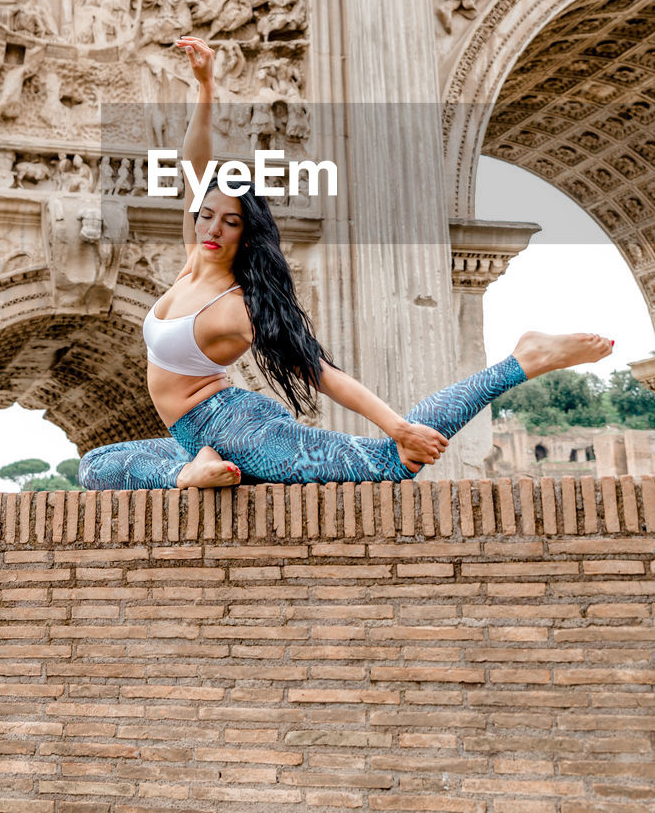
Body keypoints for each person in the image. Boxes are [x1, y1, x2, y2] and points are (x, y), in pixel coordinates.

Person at [78, 38, 612, 491]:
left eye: (231, 222)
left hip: (240, 429)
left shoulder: (238, 306)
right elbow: (195, 166)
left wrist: (399, 427)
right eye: (208, 215)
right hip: (194, 435)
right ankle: (193, 471)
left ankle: (525, 359)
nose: (213, 228)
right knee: (94, 467)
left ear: (248, 234)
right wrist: (205, 87)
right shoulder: (193, 257)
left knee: (391, 462)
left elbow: (320, 374)